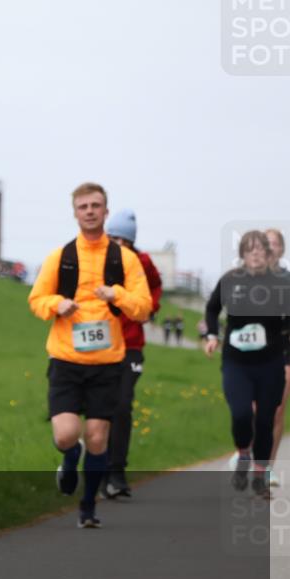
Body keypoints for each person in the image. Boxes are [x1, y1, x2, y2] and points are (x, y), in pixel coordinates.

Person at [28, 183, 152, 528]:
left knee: (98, 438)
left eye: (96, 205)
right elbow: (36, 299)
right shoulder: (61, 257)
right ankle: (70, 460)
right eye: (83, 206)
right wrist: (57, 304)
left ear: (106, 212)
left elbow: (143, 309)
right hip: (66, 360)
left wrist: (117, 295)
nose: (90, 211)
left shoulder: (124, 259)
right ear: (75, 212)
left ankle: (87, 509)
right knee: (67, 436)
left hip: (108, 363)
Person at [205, 231, 289, 499]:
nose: (255, 253)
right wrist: (211, 335)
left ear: (269, 253)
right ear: (242, 254)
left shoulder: (281, 284)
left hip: (270, 363)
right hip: (237, 362)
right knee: (241, 414)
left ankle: (260, 477)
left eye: (260, 249)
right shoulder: (230, 280)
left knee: (265, 420)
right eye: (249, 249)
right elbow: (211, 308)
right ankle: (243, 453)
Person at [101, 209, 163, 498]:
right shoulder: (95, 258)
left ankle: (117, 472)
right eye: (112, 237)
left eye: (123, 239)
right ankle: (97, 469)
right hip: (99, 345)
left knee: (122, 405)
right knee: (99, 409)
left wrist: (149, 310)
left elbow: (155, 288)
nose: (117, 243)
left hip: (130, 345)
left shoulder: (144, 262)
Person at [265, 228, 289, 484]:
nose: (270, 248)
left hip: (284, 350)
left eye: (275, 244)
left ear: (281, 250)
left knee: (278, 410)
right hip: (255, 353)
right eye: (266, 243)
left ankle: (267, 467)